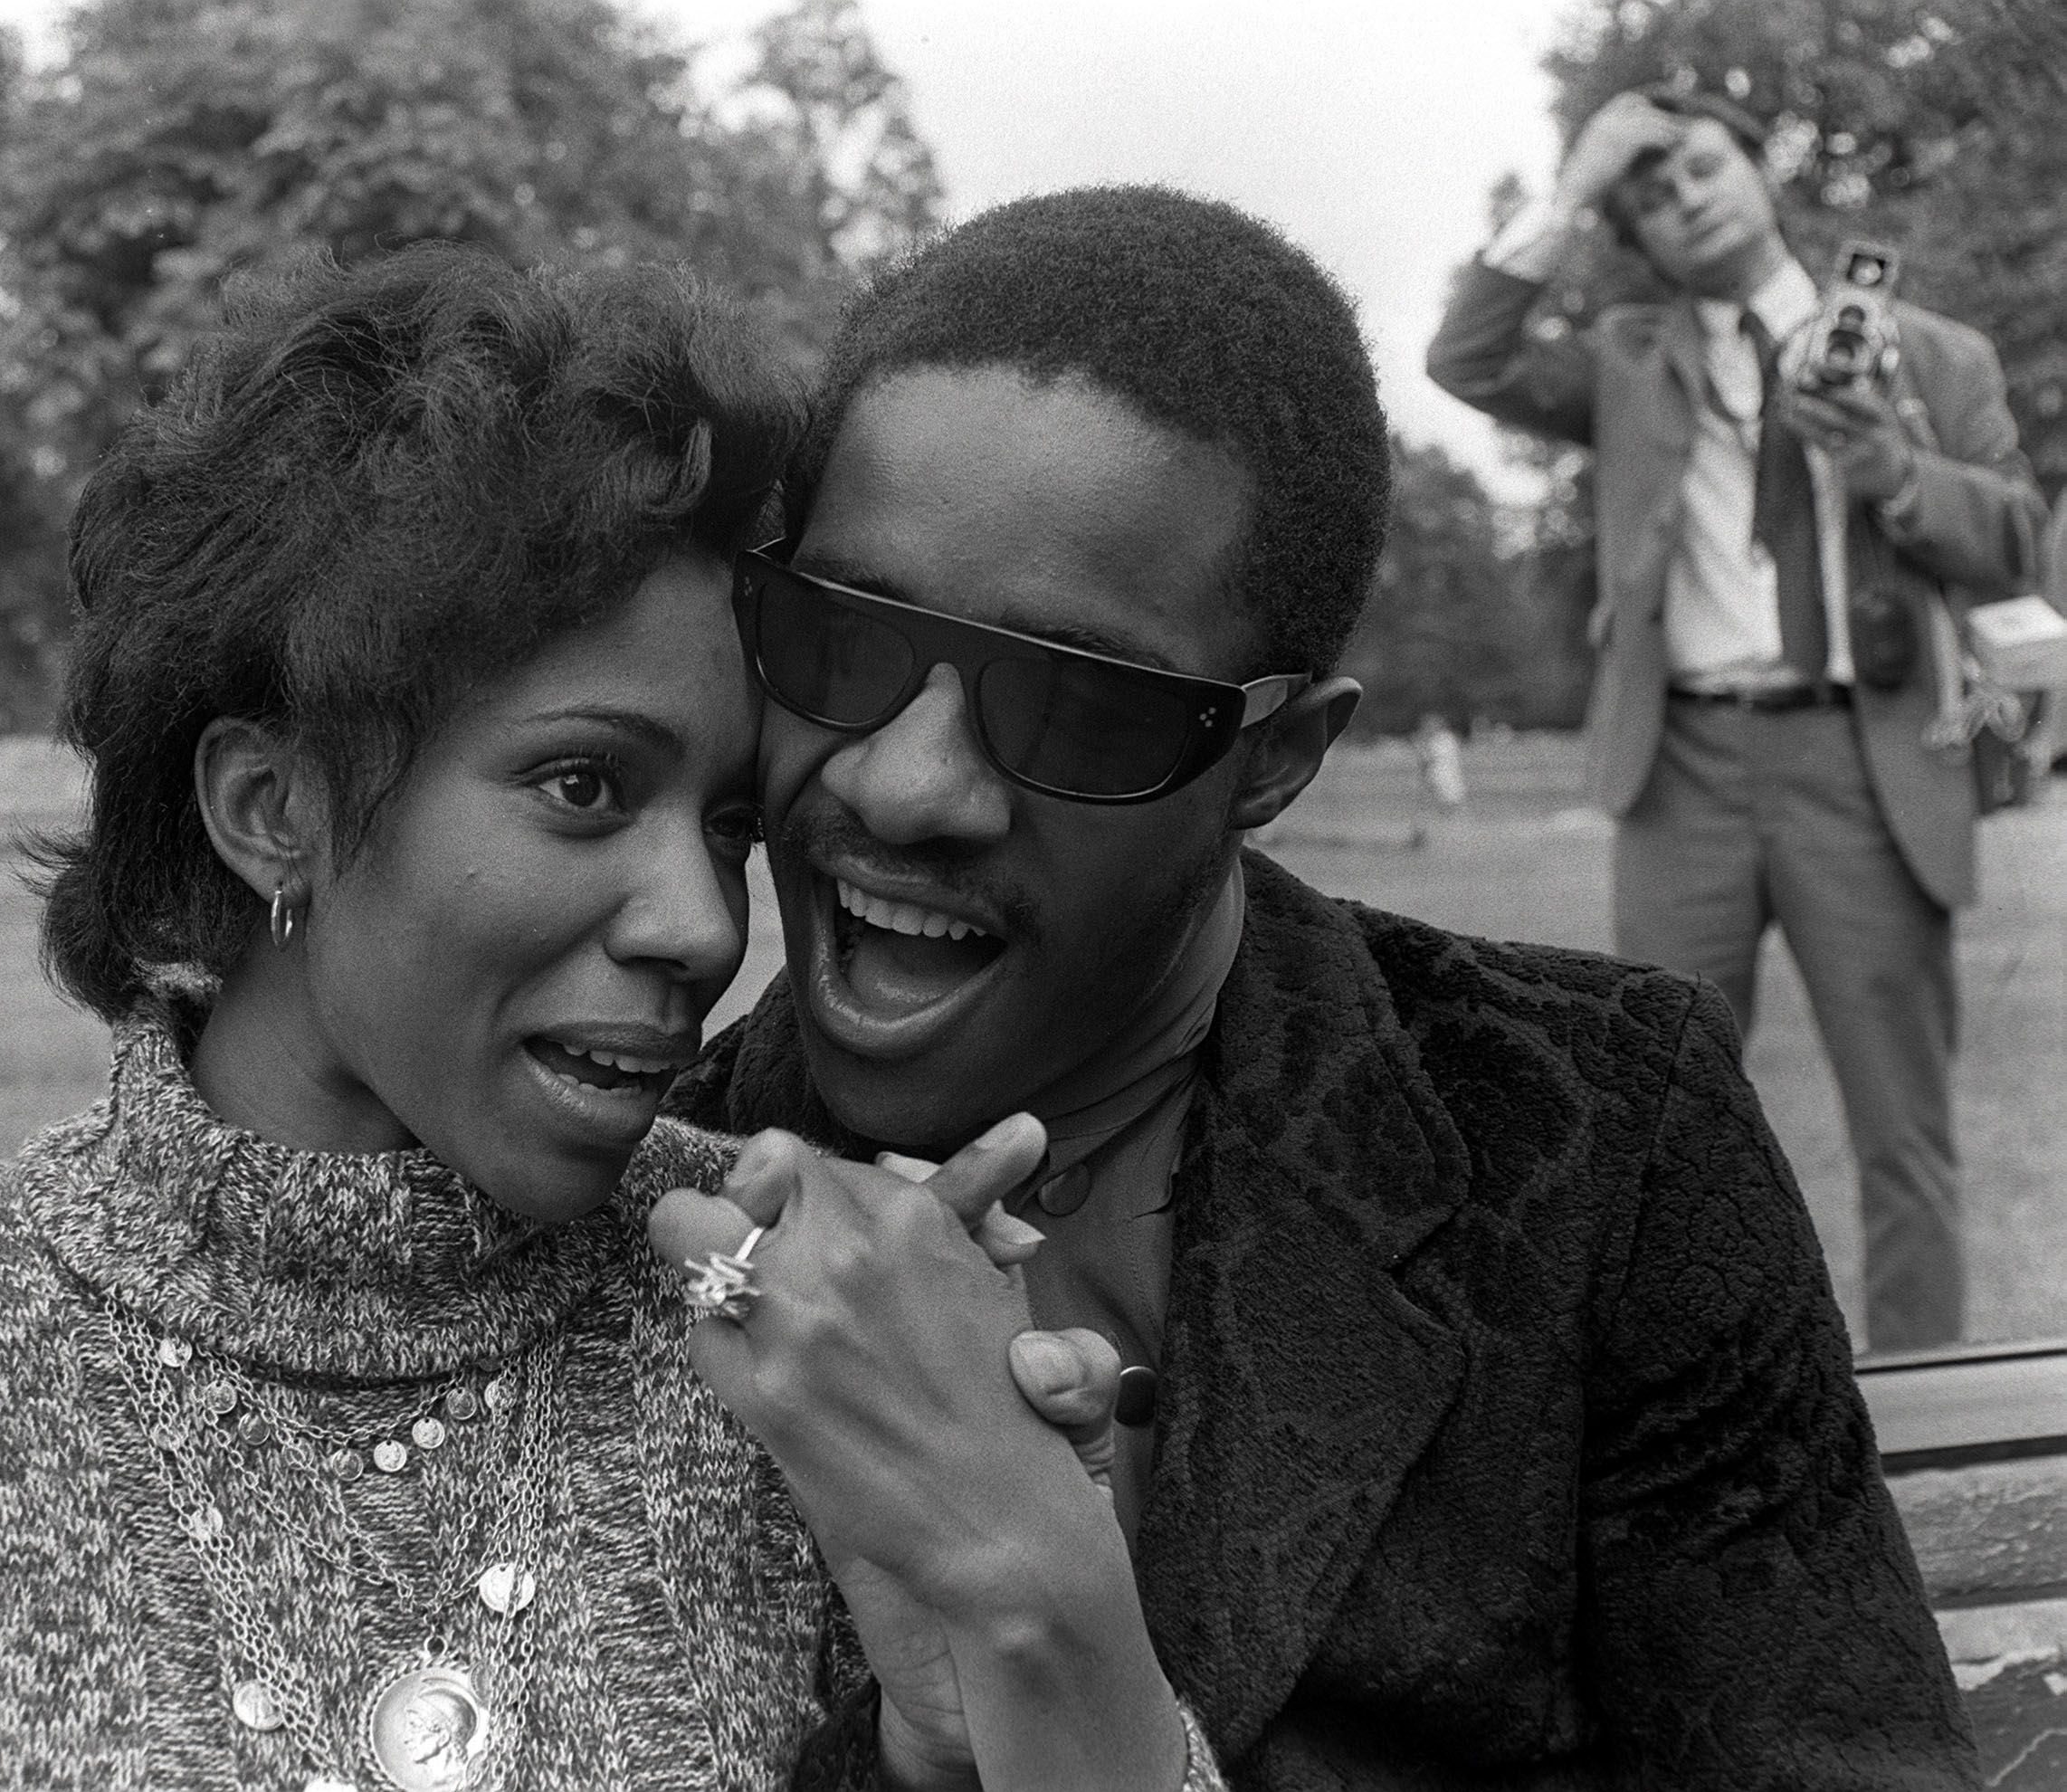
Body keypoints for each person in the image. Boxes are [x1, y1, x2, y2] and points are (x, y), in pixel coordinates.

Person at [0, 245, 1148, 1792]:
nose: (701, 925)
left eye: (733, 825)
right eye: (584, 786)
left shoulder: (794, 1331)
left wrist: (1002, 1690)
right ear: (270, 807)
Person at [656, 185, 1980, 1787]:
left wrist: (1057, 1633)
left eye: (1079, 708)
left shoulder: (1588, 1146)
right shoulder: (633, 1203)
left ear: (1275, 762)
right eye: (844, 636)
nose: (904, 787)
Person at [1426, 87, 2047, 1351]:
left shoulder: (1930, 354)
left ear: (1760, 175)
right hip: (1685, 768)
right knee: (1658, 1121)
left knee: (1902, 1137)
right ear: (1634, 232)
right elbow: (1465, 361)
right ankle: (1694, 1427)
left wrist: (1890, 469)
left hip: (1861, 762)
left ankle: (1928, 1433)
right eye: (1648, 196)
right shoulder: (1628, 355)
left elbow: (2018, 538)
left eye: (1703, 168)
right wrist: (1567, 195)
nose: (1684, 198)